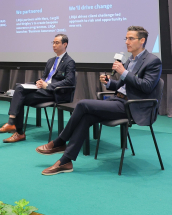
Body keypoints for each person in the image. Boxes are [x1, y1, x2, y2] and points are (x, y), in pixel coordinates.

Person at [36, 26, 162, 175]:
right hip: (118, 101)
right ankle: (65, 161)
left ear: (142, 40)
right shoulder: (130, 61)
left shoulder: (153, 61)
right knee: (86, 117)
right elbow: (121, 86)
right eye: (126, 38)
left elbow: (147, 87)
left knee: (83, 104)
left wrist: (124, 72)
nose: (127, 42)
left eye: (131, 38)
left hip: (132, 106)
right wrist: (109, 82)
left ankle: (59, 142)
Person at [0, 34, 76, 143]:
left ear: (65, 44)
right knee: (19, 90)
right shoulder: (50, 61)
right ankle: (17, 131)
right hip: (43, 90)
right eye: (53, 42)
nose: (54, 45)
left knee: (19, 97)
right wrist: (39, 82)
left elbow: (69, 81)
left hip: (56, 93)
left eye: (57, 43)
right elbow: (45, 77)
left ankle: (14, 127)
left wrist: (48, 86)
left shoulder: (69, 62)